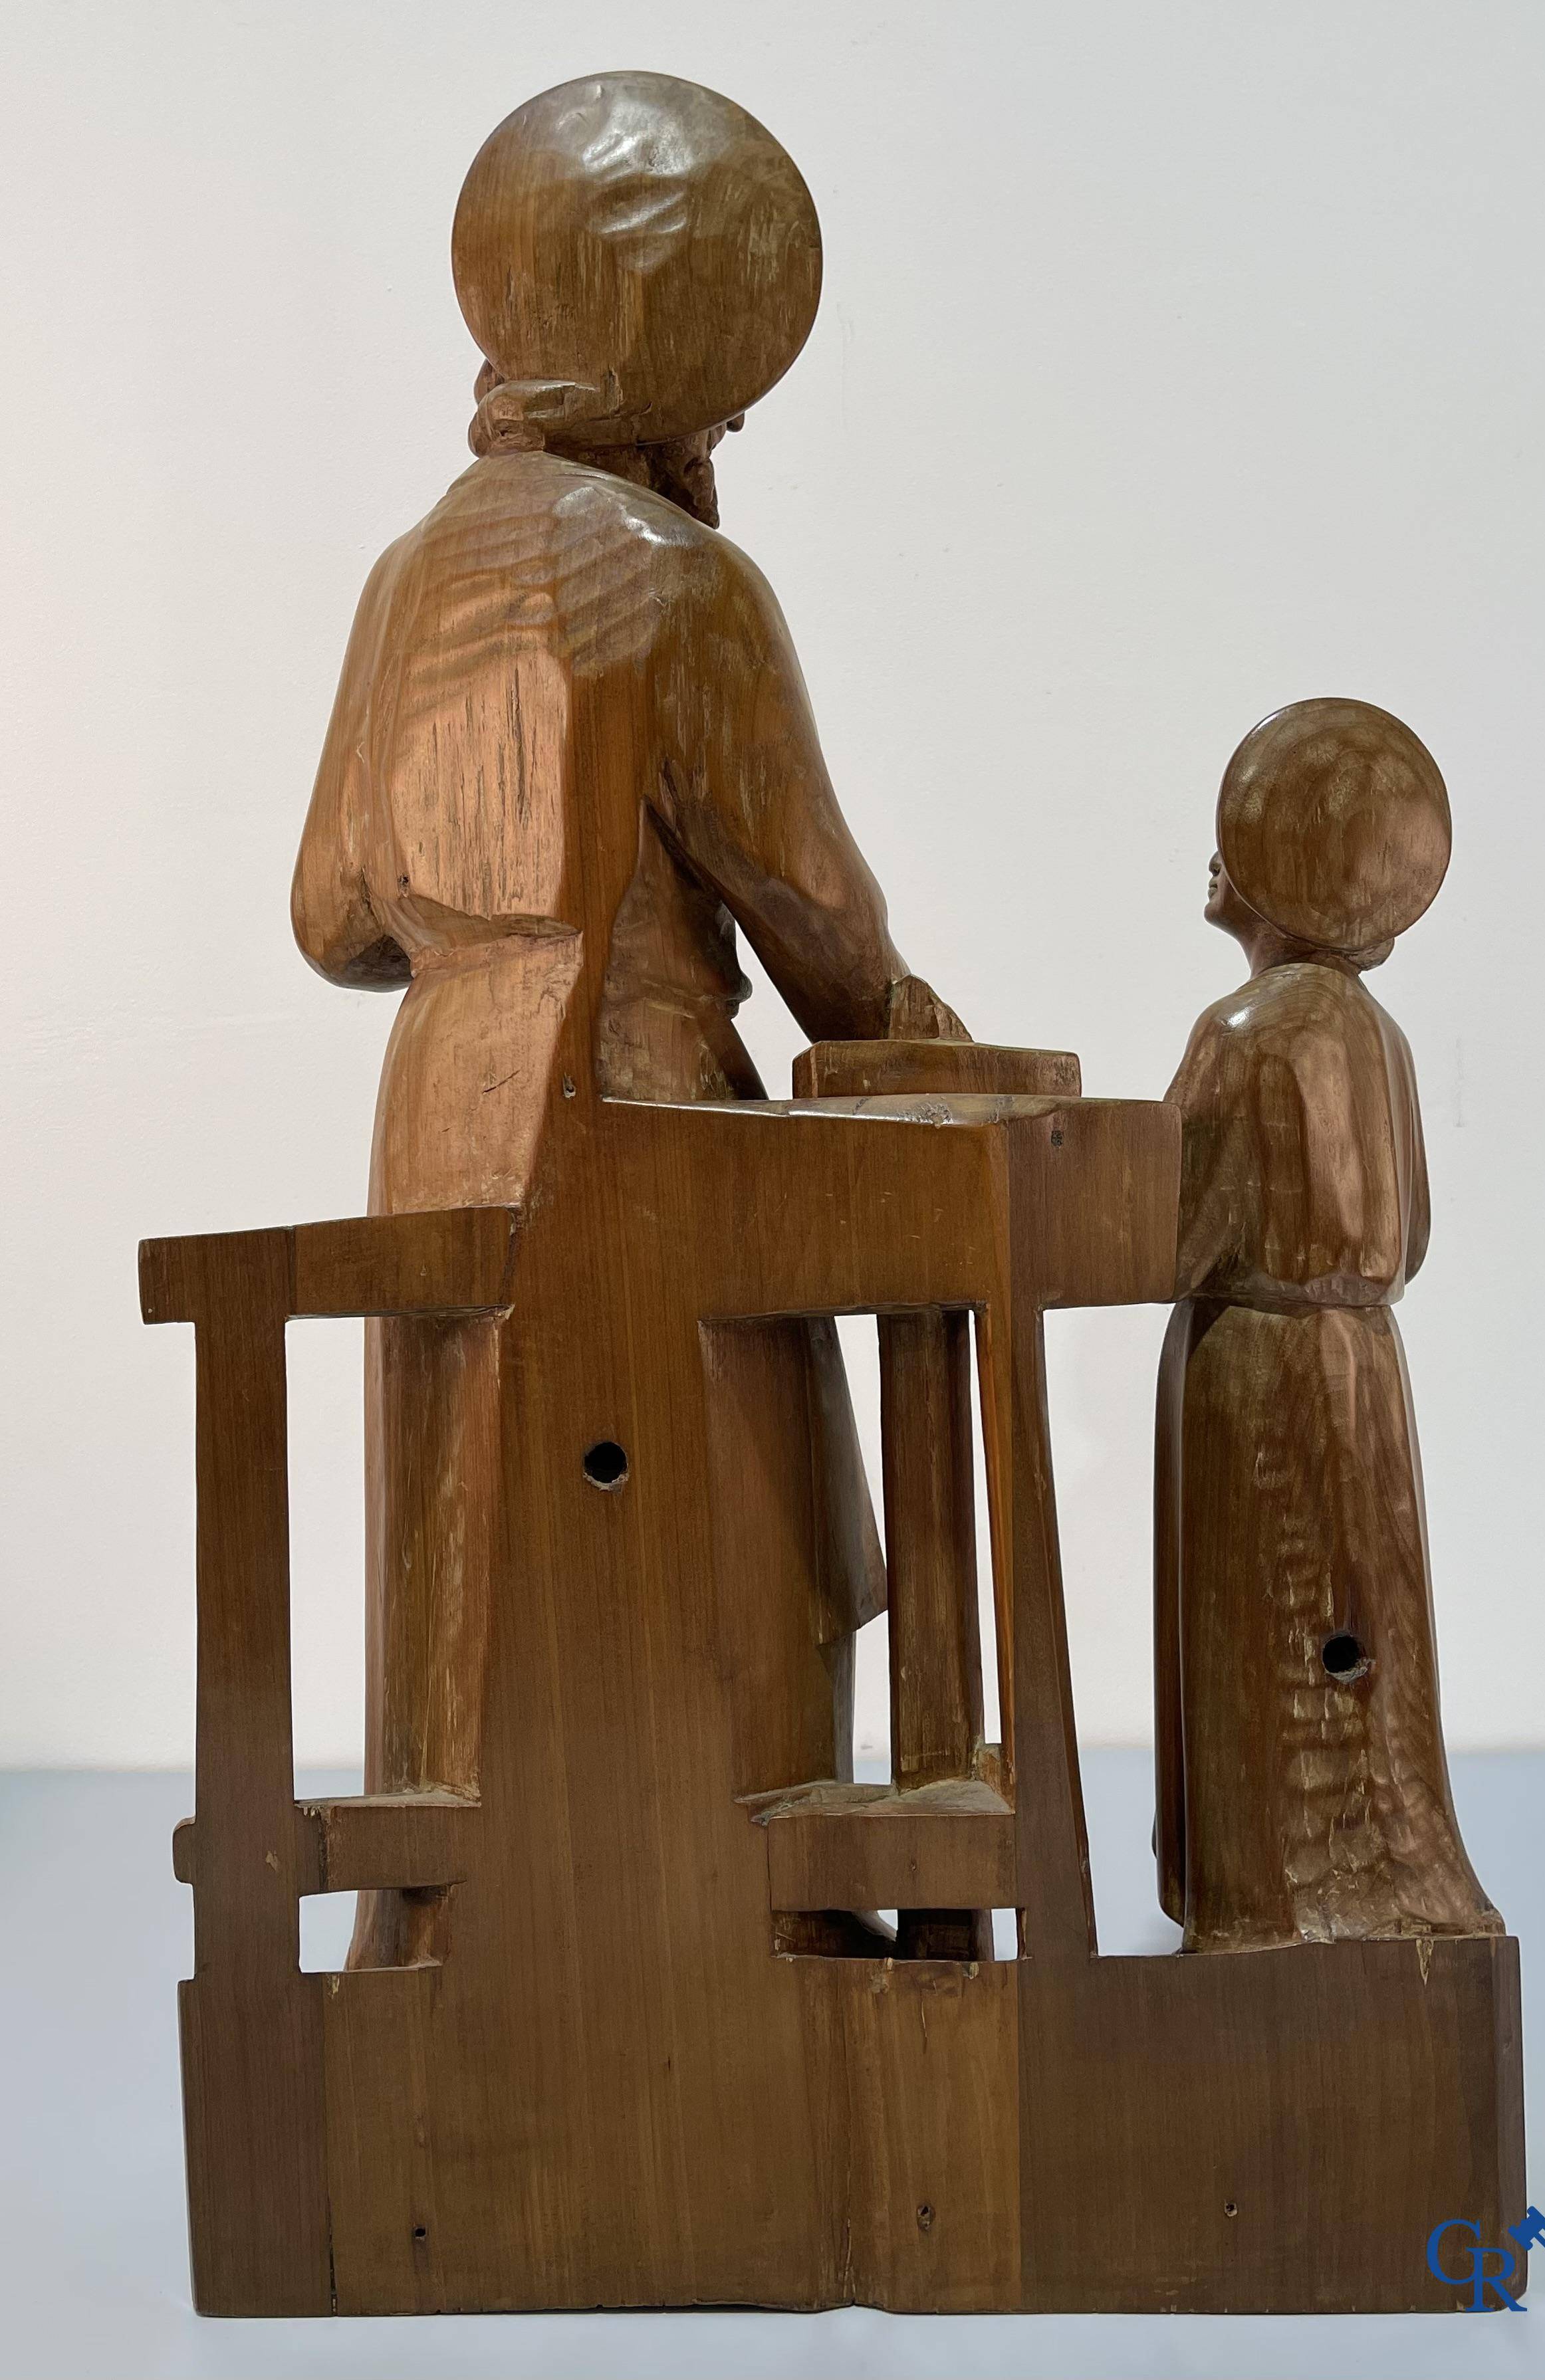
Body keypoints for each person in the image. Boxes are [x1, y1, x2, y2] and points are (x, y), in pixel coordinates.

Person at [291, 74, 965, 1963]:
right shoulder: (683, 584)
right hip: (638, 1117)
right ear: (693, 357)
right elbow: (818, 914)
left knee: (461, 1553)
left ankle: (452, 1964)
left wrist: (475, 928)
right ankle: (731, 1965)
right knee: (711, 1547)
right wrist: (923, 1027)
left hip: (440, 1105)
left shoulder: (405, 579)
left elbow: (333, 916)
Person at [1155, 697, 1500, 1951]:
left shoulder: (1242, 1035)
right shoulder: (1384, 1037)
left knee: (1279, 1625)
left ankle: (1267, 1901)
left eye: (1240, 833)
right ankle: (1382, 1876)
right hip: (1364, 1372)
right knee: (1366, 1634)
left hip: (1257, 1376)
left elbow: (1167, 1228)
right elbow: (1411, 1236)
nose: (1214, 857)